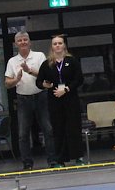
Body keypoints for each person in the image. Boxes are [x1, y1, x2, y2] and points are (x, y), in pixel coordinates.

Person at [4, 31, 55, 171]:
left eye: (25, 40)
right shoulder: (12, 61)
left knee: (48, 129)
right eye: (19, 40)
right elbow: (7, 83)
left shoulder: (39, 56)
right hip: (23, 99)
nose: (23, 42)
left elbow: (46, 75)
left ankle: (52, 160)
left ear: (30, 42)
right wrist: (16, 79)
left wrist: (29, 70)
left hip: (41, 96)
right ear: (15, 44)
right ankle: (27, 163)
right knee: (23, 133)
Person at [35, 34, 84, 167]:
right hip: (55, 100)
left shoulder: (72, 61)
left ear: (64, 45)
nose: (57, 46)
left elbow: (79, 79)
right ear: (52, 46)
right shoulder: (47, 64)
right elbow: (38, 81)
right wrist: (45, 85)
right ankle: (60, 159)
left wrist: (67, 89)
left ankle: (78, 157)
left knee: (73, 127)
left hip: (70, 99)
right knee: (58, 128)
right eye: (55, 43)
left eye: (60, 43)